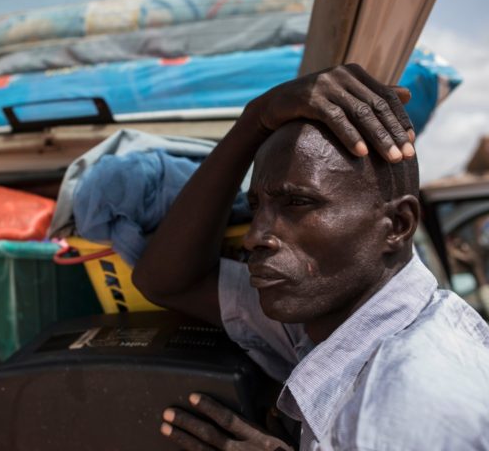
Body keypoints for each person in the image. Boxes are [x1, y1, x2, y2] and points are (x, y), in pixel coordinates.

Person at [132, 64, 489, 450]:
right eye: (257, 207)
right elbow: (169, 280)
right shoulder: (332, 318)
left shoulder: (410, 404)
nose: (255, 236)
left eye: (298, 203)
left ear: (397, 225)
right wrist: (256, 118)